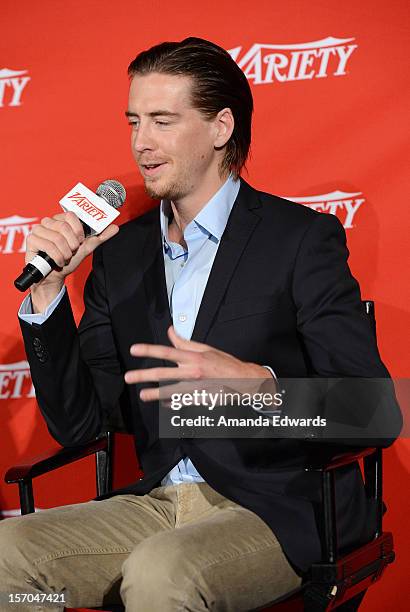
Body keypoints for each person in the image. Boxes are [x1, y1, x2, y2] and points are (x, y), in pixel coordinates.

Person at [0, 38, 399, 611]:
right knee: (8, 559)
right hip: (160, 503)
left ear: (221, 128)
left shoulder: (299, 241)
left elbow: (376, 412)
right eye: (134, 121)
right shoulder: (122, 255)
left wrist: (261, 389)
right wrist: (48, 292)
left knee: (161, 574)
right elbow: (81, 424)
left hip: (277, 507)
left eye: (163, 121)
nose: (141, 142)